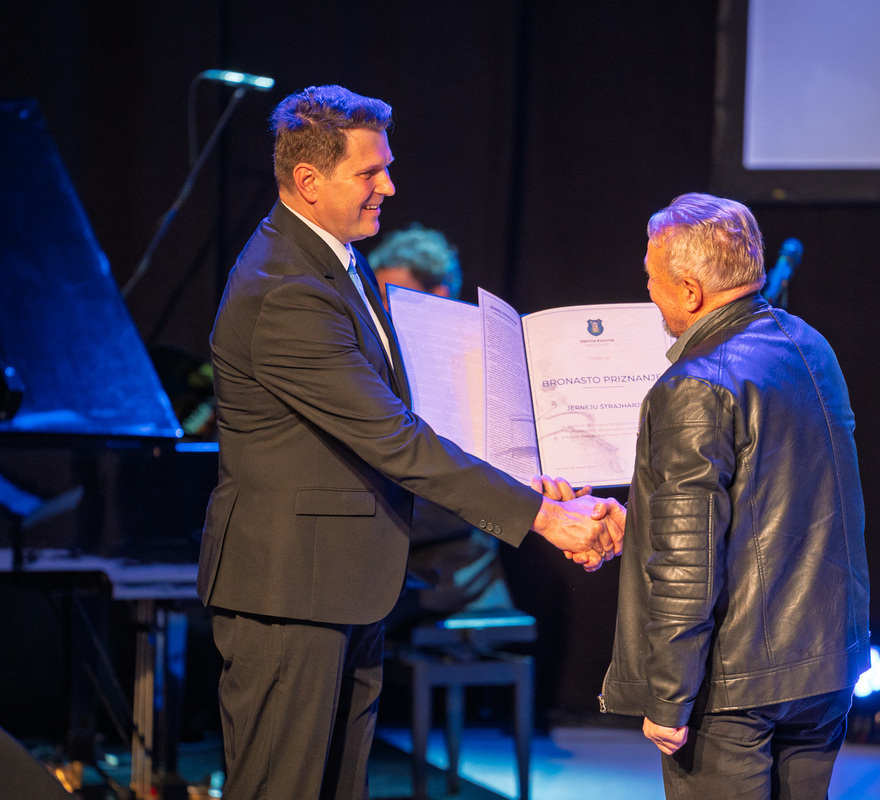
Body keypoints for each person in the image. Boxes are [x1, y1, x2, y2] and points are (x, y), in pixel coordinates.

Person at [196, 85, 621, 800]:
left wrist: (526, 476)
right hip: (290, 592)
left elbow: (409, 412)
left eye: (386, 167)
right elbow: (391, 436)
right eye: (370, 172)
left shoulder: (338, 262)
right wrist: (542, 518)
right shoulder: (286, 289)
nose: (389, 186)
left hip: (341, 585)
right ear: (308, 180)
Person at [594, 193, 870, 799]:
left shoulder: (695, 384)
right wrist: (638, 521)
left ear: (691, 291)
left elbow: (687, 561)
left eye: (652, 278)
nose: (648, 292)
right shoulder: (809, 346)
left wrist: (669, 695)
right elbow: (768, 502)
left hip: (733, 687)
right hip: (823, 667)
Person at [366, 225, 514, 634]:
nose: (383, 310)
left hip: (453, 571)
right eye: (378, 298)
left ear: (440, 296)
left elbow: (469, 496)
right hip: (391, 561)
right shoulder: (377, 366)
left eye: (395, 297)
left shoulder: (474, 371)